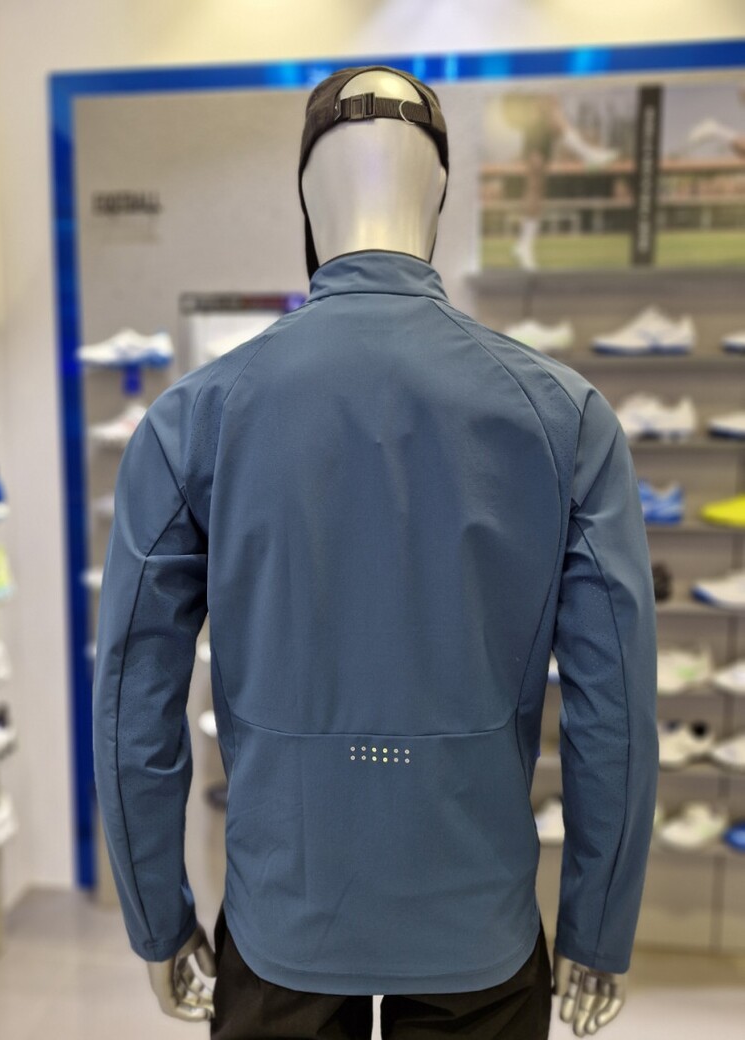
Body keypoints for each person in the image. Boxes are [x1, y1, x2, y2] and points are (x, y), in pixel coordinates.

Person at [93, 65, 658, 1040]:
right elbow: (617, 710)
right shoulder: (564, 418)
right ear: (438, 199)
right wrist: (598, 925)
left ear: (307, 203)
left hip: (282, 917)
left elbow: (131, 704)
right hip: (478, 923)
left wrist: (157, 915)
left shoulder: (193, 419)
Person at [501, 92, 619, 270]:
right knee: (550, 111)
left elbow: (553, 102)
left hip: (534, 117)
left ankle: (524, 245)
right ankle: (587, 154)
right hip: (520, 105)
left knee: (536, 182)